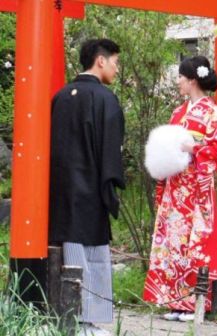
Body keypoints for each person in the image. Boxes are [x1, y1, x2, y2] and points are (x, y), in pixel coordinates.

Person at [143, 56, 217, 322]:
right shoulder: (178, 112)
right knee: (172, 244)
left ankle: (195, 303)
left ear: (192, 79)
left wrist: (194, 148)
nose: (178, 81)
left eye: (181, 77)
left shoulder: (212, 112)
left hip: (196, 189)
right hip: (175, 187)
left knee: (195, 244)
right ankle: (175, 302)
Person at [49, 39, 125, 334]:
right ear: (101, 61)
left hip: (59, 191)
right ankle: (86, 319)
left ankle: (67, 314)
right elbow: (111, 150)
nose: (117, 69)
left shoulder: (60, 97)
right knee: (92, 256)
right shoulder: (105, 99)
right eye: (116, 62)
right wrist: (112, 185)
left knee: (69, 251)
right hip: (91, 189)